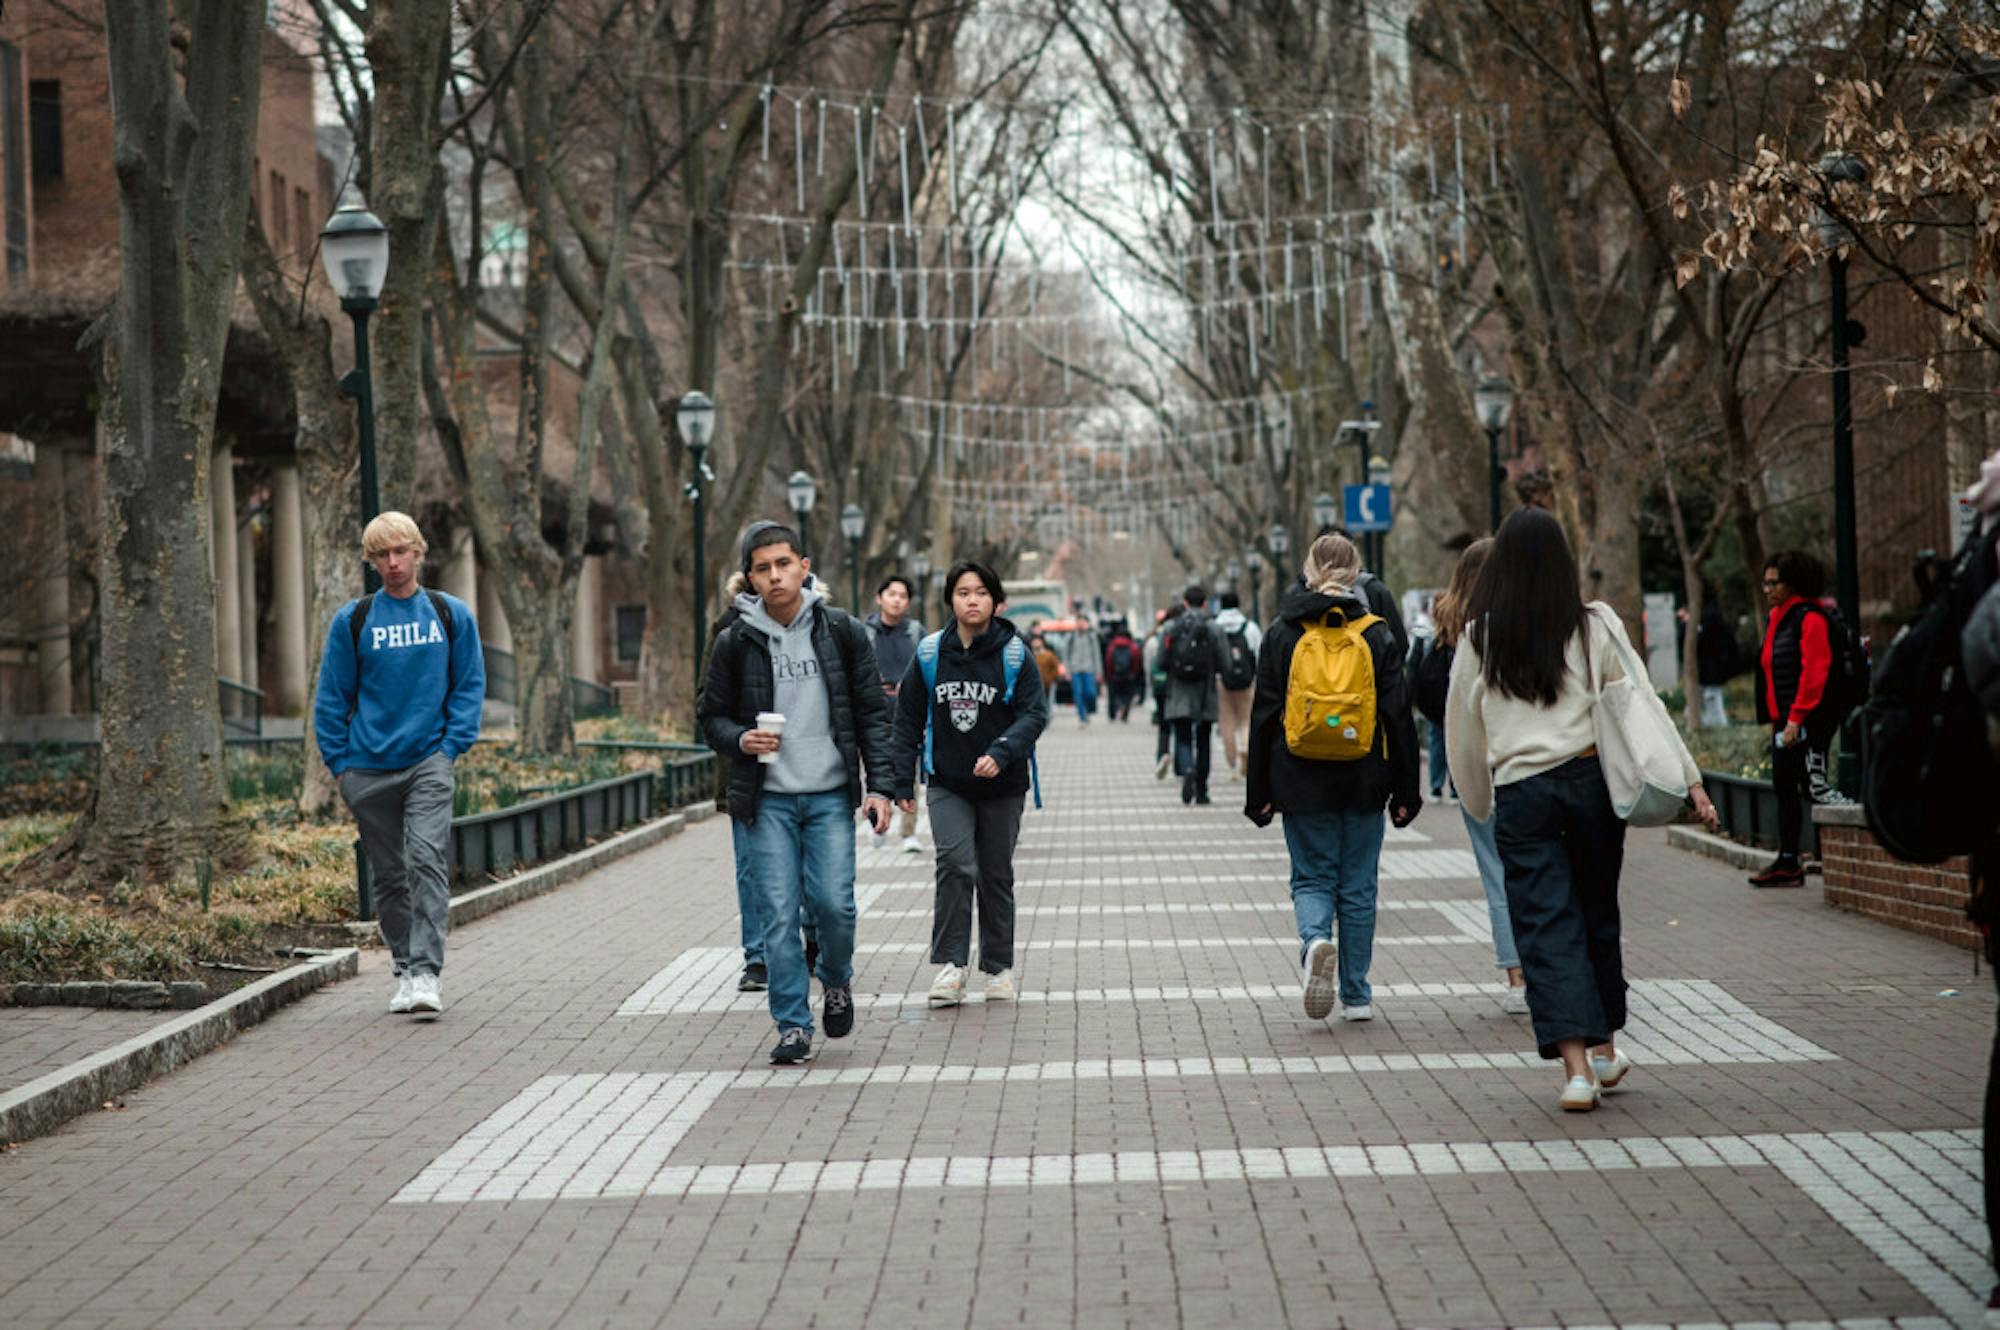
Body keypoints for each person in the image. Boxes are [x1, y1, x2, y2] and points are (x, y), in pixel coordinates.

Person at [1445, 509, 1718, 1111]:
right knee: (1596, 912)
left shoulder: (1479, 636)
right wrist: (1690, 779)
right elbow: (1640, 702)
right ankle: (1605, 1049)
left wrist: (1477, 797)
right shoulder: (1595, 624)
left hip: (1521, 793)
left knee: (1545, 926)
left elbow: (1461, 730)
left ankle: (1576, 1072)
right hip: (1590, 785)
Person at [698, 523, 896, 1065]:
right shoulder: (734, 640)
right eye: (763, 568)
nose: (775, 575)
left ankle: (835, 978)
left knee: (835, 905)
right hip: (767, 803)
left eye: (783, 564)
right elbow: (708, 716)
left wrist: (880, 786)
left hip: (830, 795)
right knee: (778, 915)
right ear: (751, 578)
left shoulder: (843, 632)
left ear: (804, 566)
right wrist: (740, 738)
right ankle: (792, 1024)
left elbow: (871, 716)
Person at [313, 512, 485, 1019]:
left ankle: (428, 972)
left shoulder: (449, 615)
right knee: (389, 876)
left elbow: (469, 685)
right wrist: (340, 767)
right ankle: (406, 968)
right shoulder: (354, 620)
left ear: (418, 552)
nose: (392, 563)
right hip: (366, 769)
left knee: (426, 860)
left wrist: (451, 747)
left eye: (400, 552)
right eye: (382, 555)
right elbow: (331, 698)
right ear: (372, 561)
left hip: (428, 760)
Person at [1245, 533, 1421, 1024]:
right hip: (1365, 776)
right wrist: (1407, 791)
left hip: (1298, 778)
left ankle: (1316, 941)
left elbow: (1264, 715)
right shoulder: (1375, 632)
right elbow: (1398, 716)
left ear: (1309, 568)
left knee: (1312, 876)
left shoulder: (1283, 632)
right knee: (1359, 885)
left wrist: (1258, 792)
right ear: (1355, 570)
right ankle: (1358, 995)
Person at [888, 560, 1049, 1007]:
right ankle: (952, 967)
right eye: (962, 592)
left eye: (980, 592)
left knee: (995, 874)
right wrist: (902, 779)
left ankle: (998, 968)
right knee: (956, 865)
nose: (972, 600)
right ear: (950, 600)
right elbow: (907, 720)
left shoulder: (1014, 653)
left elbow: (1035, 714)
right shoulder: (930, 653)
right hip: (948, 782)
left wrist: (1001, 753)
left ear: (996, 601)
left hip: (1003, 785)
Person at [1414, 539, 1526, 1013]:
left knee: (1495, 871)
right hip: (1520, 757)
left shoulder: (1450, 620)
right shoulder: (1520, 620)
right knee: (1537, 866)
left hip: (1471, 762)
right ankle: (1546, 965)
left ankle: (1516, 976)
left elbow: (1423, 688)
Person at [1749, 550, 1847, 887]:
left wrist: (1796, 719)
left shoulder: (1810, 618)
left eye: (1774, 582)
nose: (1767, 589)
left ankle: (1835, 863)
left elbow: (1815, 672)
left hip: (1807, 722)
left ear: (1794, 583)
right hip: (1786, 724)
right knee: (1785, 788)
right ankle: (1788, 861)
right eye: (1765, 582)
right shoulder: (1780, 617)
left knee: (1814, 788)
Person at [864, 574, 927, 853]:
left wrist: (912, 687)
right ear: (880, 598)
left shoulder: (915, 632)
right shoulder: (864, 632)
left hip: (908, 714)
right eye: (891, 594)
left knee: (908, 772)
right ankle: (878, 824)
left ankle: (908, 832)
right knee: (877, 768)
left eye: (902, 596)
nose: (897, 600)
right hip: (875, 713)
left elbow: (928, 668)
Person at [1163, 584, 1224, 804]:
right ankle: (1202, 791)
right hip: (1205, 693)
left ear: (1185, 602)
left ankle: (1187, 767)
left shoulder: (1172, 627)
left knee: (1182, 737)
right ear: (1205, 603)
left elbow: (1160, 661)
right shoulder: (1213, 627)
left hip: (1179, 692)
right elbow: (1224, 661)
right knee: (1204, 740)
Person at [1211, 592, 1262, 780]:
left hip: (1221, 680)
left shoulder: (1215, 627)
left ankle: (1232, 765)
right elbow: (1259, 653)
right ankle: (1244, 748)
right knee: (1246, 719)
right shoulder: (1250, 627)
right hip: (1247, 681)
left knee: (1227, 722)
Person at [1146, 606, 1181, 779]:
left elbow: (1150, 666)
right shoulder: (1186, 632)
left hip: (1161, 686)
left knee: (1164, 726)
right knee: (1182, 726)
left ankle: (1163, 754)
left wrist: (1149, 688)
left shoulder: (1155, 639)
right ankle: (1181, 764)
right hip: (1181, 686)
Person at [1059, 615, 1102, 724]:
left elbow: (1096, 655)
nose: (1081, 624)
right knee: (1078, 693)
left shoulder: (1091, 636)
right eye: (1079, 622)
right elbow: (1065, 654)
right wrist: (1067, 670)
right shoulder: (1071, 636)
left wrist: (1099, 671)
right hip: (1075, 670)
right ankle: (1082, 716)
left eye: (1083, 622)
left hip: (1089, 670)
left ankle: (1087, 710)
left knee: (1090, 693)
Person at [1102, 621, 1146, 722]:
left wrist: (1109, 674)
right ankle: (1125, 709)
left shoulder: (1112, 645)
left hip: (1115, 675)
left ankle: (1118, 707)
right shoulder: (1132, 646)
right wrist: (1134, 673)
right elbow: (1136, 660)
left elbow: (1108, 660)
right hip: (1129, 675)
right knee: (1127, 694)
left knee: (1115, 694)